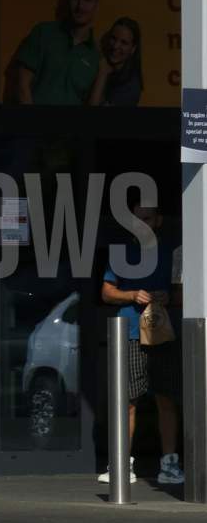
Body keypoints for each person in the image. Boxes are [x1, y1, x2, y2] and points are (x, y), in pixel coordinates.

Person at [99, 204, 184, 485]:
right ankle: (122, 464)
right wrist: (133, 294)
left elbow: (184, 292)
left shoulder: (173, 251)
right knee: (128, 400)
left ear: (158, 220)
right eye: (136, 218)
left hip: (162, 332)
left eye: (146, 218)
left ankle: (169, 463)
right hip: (131, 332)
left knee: (166, 398)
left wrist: (167, 298)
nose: (141, 223)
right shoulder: (122, 254)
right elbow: (107, 293)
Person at [11, 0, 101, 105]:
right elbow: (21, 84)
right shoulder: (43, 33)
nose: (80, 6)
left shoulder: (95, 55)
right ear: (68, 1)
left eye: (87, 0)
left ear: (95, 5)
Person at [88, 17, 143, 107]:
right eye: (113, 38)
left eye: (124, 42)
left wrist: (102, 73)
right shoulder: (99, 62)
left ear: (133, 49)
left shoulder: (131, 87)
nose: (115, 46)